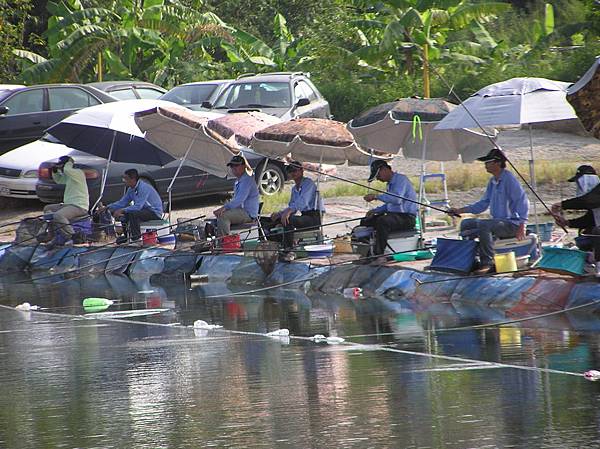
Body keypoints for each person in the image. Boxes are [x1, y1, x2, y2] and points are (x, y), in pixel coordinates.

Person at [448, 148, 529, 273]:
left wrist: (522, 225)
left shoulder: (509, 179)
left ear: (497, 163)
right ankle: (470, 259)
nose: (485, 165)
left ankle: (487, 263)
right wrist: (459, 210)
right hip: (498, 222)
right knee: (466, 223)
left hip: (512, 224)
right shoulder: (492, 181)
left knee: (484, 225)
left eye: (488, 162)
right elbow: (483, 204)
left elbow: (522, 202)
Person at [266, 161, 324, 261]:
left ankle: (288, 250)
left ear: (301, 170)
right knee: (271, 221)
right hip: (304, 216)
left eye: (295, 170)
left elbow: (303, 202)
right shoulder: (294, 189)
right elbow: (292, 206)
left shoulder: (308, 184)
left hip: (314, 218)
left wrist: (288, 212)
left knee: (289, 219)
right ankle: (275, 247)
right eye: (290, 171)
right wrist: (280, 214)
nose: (293, 173)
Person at [360, 159, 418, 258]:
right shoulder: (390, 184)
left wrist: (376, 196)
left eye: (378, 176)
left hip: (407, 218)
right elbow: (389, 205)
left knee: (383, 221)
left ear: (384, 169)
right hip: (395, 217)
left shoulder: (401, 180)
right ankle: (368, 251)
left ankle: (379, 255)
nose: (378, 179)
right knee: (366, 221)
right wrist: (374, 211)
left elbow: (397, 199)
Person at [552, 165, 600, 274]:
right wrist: (568, 223)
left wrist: (563, 205)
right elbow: (590, 219)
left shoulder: (595, 196)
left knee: (597, 232)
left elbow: (589, 201)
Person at [100, 169, 163, 244]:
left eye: (126, 178)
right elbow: (122, 202)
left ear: (133, 179)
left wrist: (122, 210)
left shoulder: (144, 188)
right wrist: (107, 207)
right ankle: (127, 236)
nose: (124, 180)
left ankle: (136, 239)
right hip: (144, 211)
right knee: (124, 215)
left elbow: (138, 206)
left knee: (133, 214)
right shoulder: (131, 189)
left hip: (154, 212)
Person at [40, 155, 89, 248]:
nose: (62, 168)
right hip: (68, 204)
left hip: (79, 206)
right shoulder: (70, 176)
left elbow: (67, 170)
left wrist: (69, 162)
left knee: (58, 215)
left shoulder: (78, 173)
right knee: (48, 209)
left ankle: (72, 237)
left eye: (62, 165)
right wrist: (55, 171)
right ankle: (51, 235)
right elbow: (59, 180)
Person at [213, 155, 259, 236]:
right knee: (220, 215)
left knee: (223, 216)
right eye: (232, 166)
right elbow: (236, 201)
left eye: (236, 165)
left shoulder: (246, 180)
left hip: (248, 213)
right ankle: (221, 239)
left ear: (244, 166)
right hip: (242, 211)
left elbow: (239, 200)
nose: (234, 168)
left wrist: (224, 208)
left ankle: (224, 242)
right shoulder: (239, 181)